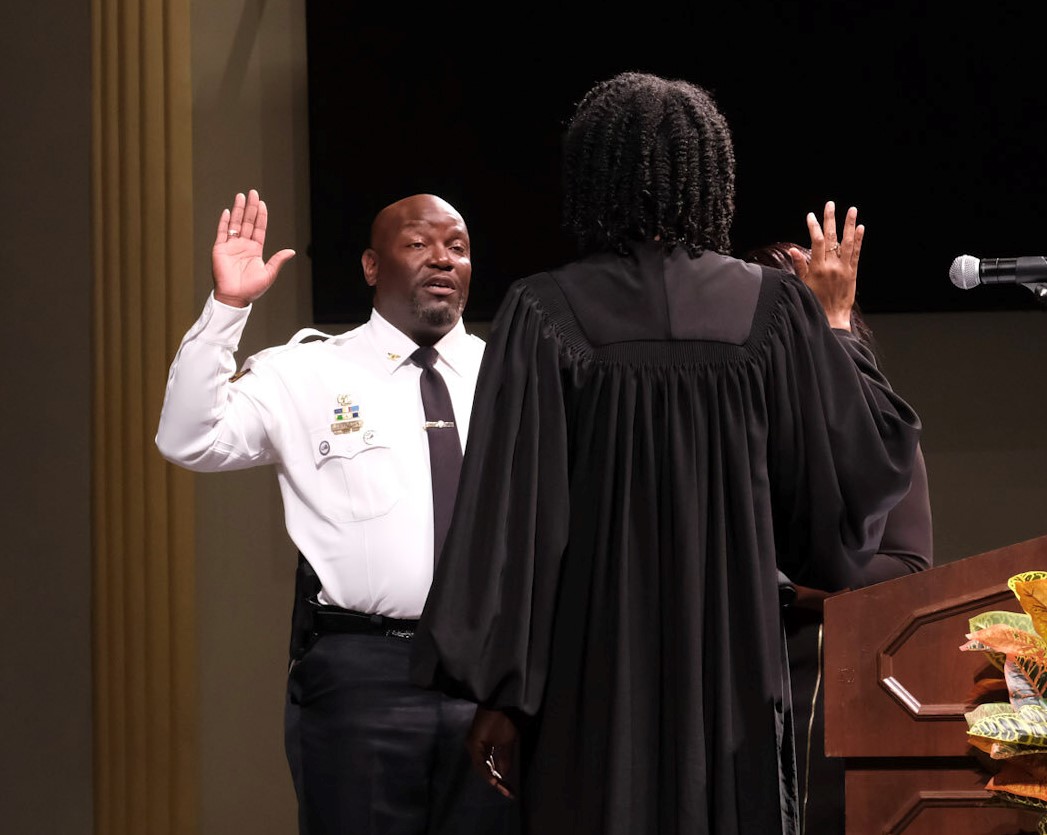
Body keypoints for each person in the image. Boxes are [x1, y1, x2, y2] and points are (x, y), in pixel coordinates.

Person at [409, 71, 923, 835]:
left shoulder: (542, 310)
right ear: (709, 177)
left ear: (589, 177)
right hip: (735, 680)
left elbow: (514, 524)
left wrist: (504, 693)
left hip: (589, 681)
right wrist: (839, 328)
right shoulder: (774, 310)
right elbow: (849, 489)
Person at [155, 189, 517, 835]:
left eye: (457, 248)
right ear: (372, 265)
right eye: (418, 244)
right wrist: (228, 307)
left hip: (489, 673)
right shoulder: (306, 370)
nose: (442, 259)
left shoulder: (512, 377)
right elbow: (188, 438)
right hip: (362, 673)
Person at [742, 240, 934, 835]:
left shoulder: (874, 429)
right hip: (725, 676)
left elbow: (906, 568)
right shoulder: (724, 419)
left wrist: (786, 586)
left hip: (824, 678)